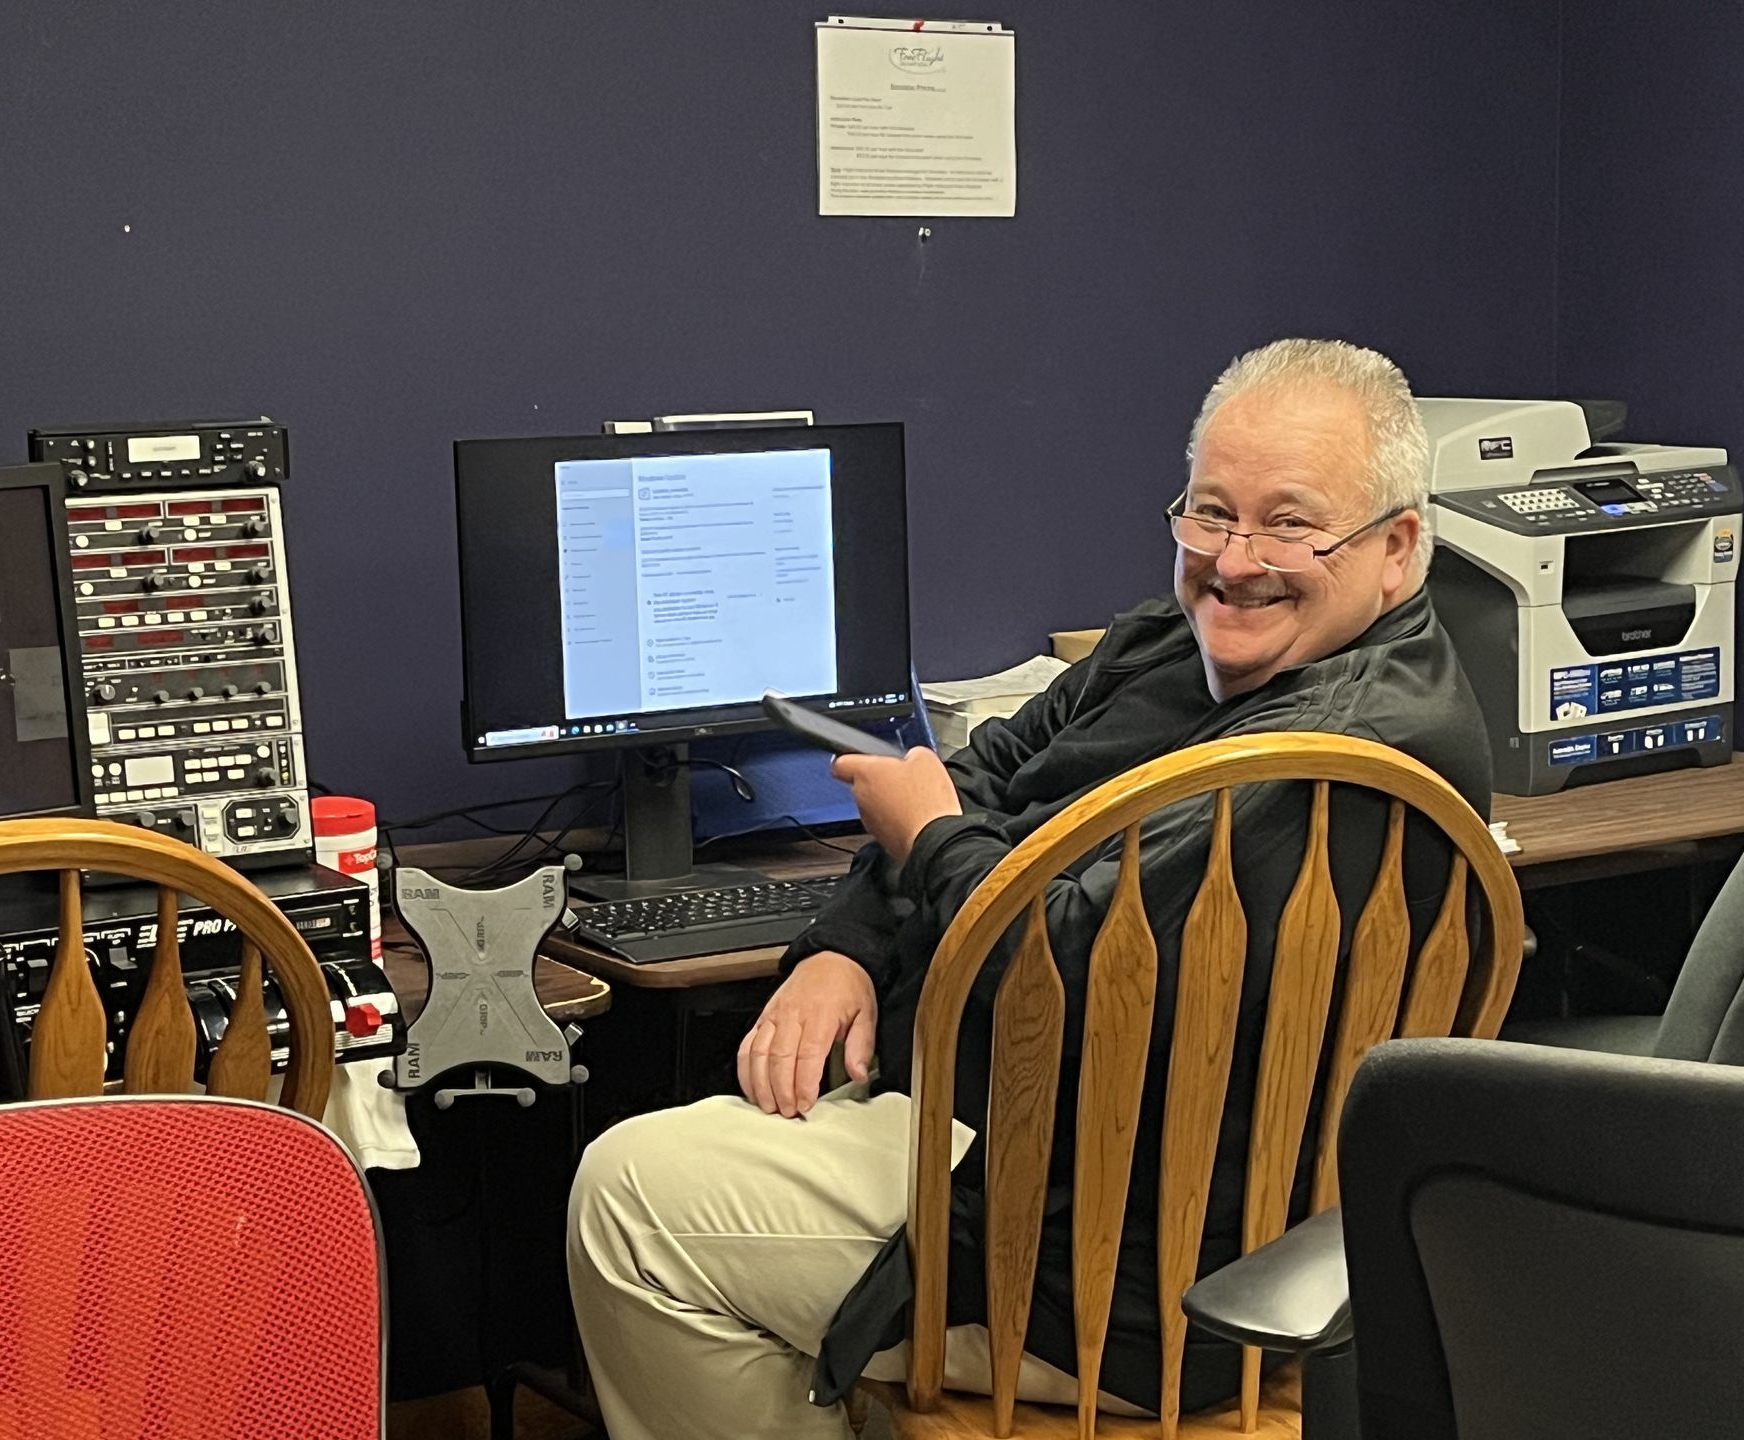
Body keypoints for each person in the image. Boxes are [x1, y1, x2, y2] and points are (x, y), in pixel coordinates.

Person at [568, 338, 1491, 1440]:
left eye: (1291, 524)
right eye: (1209, 511)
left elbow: (1065, 972)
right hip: (1036, 1152)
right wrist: (847, 943)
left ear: (1396, 549)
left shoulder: (1330, 763)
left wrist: (932, 843)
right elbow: (975, 770)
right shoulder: (1172, 644)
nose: (1235, 560)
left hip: (1122, 1272)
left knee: (628, 1202)